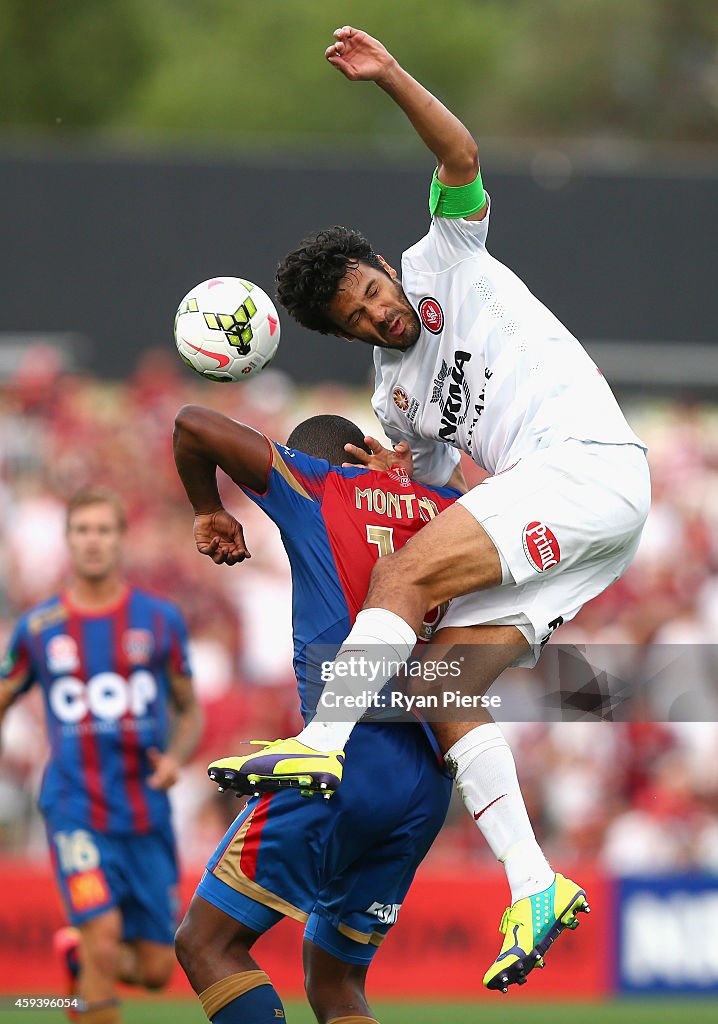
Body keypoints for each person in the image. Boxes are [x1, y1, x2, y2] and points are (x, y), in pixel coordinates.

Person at [212, 25, 650, 993]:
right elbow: (437, 491)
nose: (379, 310)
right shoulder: (397, 398)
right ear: (343, 331)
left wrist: (391, 77)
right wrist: (389, 470)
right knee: (437, 680)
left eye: (372, 288)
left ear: (383, 262)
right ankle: (534, 884)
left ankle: (319, 743)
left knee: (409, 584)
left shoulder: (445, 253)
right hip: (582, 515)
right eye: (357, 315)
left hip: (585, 462)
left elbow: (460, 156)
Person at [172, 406, 456, 1024]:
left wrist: (207, 508)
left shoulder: (320, 488)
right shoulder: (444, 507)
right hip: (429, 775)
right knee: (336, 985)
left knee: (206, 944)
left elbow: (192, 423)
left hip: (343, 760)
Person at [0, 488, 203, 1024]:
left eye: (103, 530)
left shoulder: (160, 620)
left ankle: (74, 959)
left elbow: (190, 711)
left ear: (120, 539)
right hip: (75, 808)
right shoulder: (39, 629)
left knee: (157, 970)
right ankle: (88, 958)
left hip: (145, 812)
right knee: (104, 935)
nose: (93, 541)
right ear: (68, 541)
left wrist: (176, 757)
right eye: (82, 530)